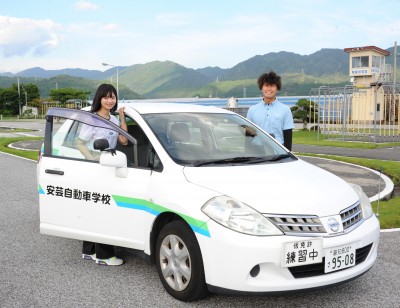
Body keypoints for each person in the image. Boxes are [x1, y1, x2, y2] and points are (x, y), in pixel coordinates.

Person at [77, 83, 128, 266]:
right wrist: (93, 159)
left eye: (112, 97)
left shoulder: (113, 120)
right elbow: (80, 143)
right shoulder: (92, 119)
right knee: (104, 209)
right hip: (96, 168)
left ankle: (89, 251)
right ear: (99, 98)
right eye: (106, 97)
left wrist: (121, 117)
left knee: (95, 207)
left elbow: (123, 140)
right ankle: (104, 256)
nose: (109, 100)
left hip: (110, 166)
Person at [247, 71, 294, 151]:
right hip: (257, 150)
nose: (269, 89)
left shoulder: (285, 110)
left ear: (277, 88)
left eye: (272, 86)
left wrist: (287, 156)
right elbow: (248, 136)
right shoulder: (252, 110)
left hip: (278, 150)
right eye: (266, 85)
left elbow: (288, 136)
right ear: (261, 87)